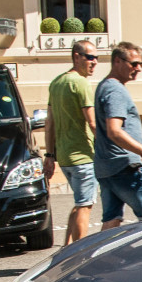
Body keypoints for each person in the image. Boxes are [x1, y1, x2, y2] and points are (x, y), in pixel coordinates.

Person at [94, 41, 142, 230]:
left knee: (111, 223)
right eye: (134, 64)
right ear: (117, 61)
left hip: (108, 167)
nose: (138, 69)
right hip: (125, 167)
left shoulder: (105, 86)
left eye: (141, 64)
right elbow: (114, 131)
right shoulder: (115, 90)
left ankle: (101, 259)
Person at [42, 41, 99, 244]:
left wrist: (49, 155)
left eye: (97, 58)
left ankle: (66, 249)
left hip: (65, 158)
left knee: (78, 204)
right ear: (77, 56)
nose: (95, 62)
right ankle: (79, 255)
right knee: (85, 206)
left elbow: (50, 124)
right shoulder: (81, 83)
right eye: (90, 57)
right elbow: (93, 122)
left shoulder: (56, 83)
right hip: (84, 155)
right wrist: (109, 148)